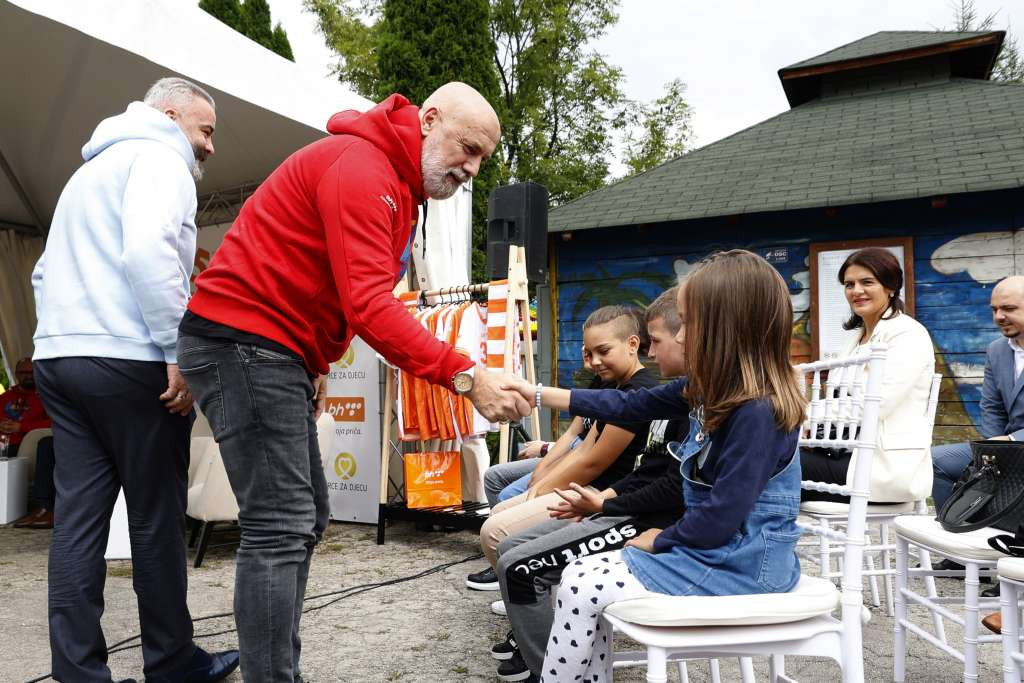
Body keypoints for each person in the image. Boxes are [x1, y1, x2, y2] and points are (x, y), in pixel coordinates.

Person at [176, 81, 528, 682]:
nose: (471, 168)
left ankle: (276, 669)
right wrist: (467, 377)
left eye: (481, 159)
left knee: (304, 516)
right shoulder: (363, 168)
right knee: (281, 524)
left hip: (269, 346)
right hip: (244, 342)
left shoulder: (393, 182)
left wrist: (312, 362)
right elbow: (369, 304)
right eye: (467, 148)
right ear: (429, 119)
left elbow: (320, 283)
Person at [505, 250, 807, 682]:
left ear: (723, 329)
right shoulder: (709, 389)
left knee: (581, 581)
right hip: (717, 552)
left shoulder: (758, 412)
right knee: (579, 578)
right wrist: (537, 394)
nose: (681, 338)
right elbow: (630, 403)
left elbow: (722, 516)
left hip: (745, 565)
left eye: (688, 323)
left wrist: (663, 538)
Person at [31, 77, 238, 683]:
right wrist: (181, 351)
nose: (209, 147)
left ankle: (77, 674)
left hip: (61, 360)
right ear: (169, 115)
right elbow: (148, 256)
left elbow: (43, 275)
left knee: (77, 523)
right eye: (205, 130)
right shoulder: (160, 157)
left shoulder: (87, 174)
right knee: (154, 517)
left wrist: (69, 335)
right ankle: (173, 665)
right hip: (130, 363)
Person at [490, 288, 686, 682]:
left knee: (518, 565)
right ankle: (546, 661)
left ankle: (547, 670)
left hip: (643, 521)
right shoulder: (681, 393)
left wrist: (608, 506)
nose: (652, 352)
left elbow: (682, 491)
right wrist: (605, 498)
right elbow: (646, 458)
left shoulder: (716, 404)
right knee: (512, 549)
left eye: (661, 341)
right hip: (627, 507)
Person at [477, 305, 658, 578]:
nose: (595, 361)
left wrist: (539, 491)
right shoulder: (611, 384)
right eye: (589, 353)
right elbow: (582, 445)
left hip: (601, 493)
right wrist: (540, 482)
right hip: (585, 485)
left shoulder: (639, 389)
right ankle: (520, 587)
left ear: (632, 344)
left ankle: (523, 590)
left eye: (604, 351)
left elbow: (593, 463)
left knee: (494, 531)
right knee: (501, 510)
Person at [800, 247, 935, 504]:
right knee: (766, 462)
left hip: (881, 465)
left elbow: (873, 404)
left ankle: (760, 540)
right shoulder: (853, 340)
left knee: (771, 467)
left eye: (867, 282)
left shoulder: (908, 334)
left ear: (891, 287)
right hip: (843, 454)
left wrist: (804, 420)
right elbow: (836, 400)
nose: (856, 291)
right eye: (849, 284)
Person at [930, 275, 1024, 632]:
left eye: (1009, 309)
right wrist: (994, 444)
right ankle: (962, 553)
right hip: (1003, 447)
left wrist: (1012, 442)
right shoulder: (997, 350)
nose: (999, 316)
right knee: (938, 461)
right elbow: (991, 406)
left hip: (1019, 445)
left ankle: (1011, 564)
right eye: (995, 309)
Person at [1, 358, 56, 529]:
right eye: (24, 373)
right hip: (3, 442)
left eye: (32, 372)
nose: (29, 376)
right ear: (17, 374)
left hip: (27, 446)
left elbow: (55, 422)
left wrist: (21, 427)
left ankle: (43, 508)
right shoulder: (5, 398)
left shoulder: (47, 396)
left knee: (46, 445)